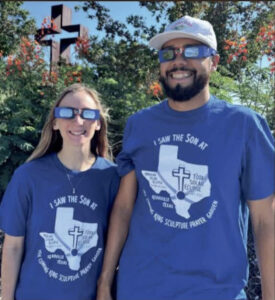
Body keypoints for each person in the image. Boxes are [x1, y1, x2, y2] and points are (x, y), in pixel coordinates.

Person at [96, 16, 275, 300]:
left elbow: (265, 221)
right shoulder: (139, 125)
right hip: (140, 289)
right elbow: (123, 209)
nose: (178, 61)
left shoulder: (245, 126)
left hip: (217, 292)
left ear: (214, 61)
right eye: (168, 53)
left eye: (192, 51)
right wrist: (104, 283)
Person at [0, 83, 120, 300]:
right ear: (55, 122)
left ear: (98, 124)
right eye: (67, 113)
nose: (78, 121)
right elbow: (13, 247)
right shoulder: (28, 176)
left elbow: (118, 245)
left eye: (88, 114)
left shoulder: (113, 179)